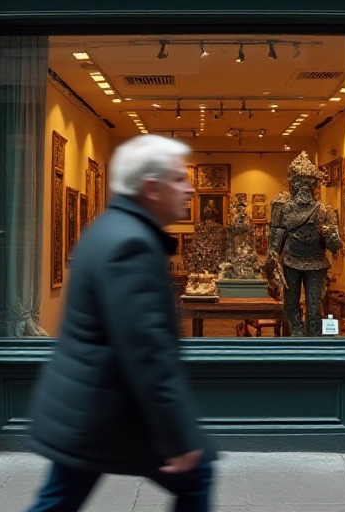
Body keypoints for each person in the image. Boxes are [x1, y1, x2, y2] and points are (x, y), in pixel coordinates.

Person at [25, 134, 216, 512]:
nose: (190, 188)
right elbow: (148, 352)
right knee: (197, 476)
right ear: (151, 187)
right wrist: (179, 438)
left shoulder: (111, 228)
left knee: (57, 500)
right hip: (101, 411)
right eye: (179, 179)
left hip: (88, 406)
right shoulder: (132, 244)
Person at [269, 152, 342, 336]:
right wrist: (273, 257)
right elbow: (276, 236)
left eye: (307, 183)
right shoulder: (282, 207)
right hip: (291, 261)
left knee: (313, 307)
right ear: (293, 183)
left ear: (313, 185)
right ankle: (298, 337)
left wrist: (329, 233)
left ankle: (314, 341)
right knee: (291, 305)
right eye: (300, 182)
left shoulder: (325, 211)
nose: (303, 187)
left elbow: (335, 246)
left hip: (316, 263)